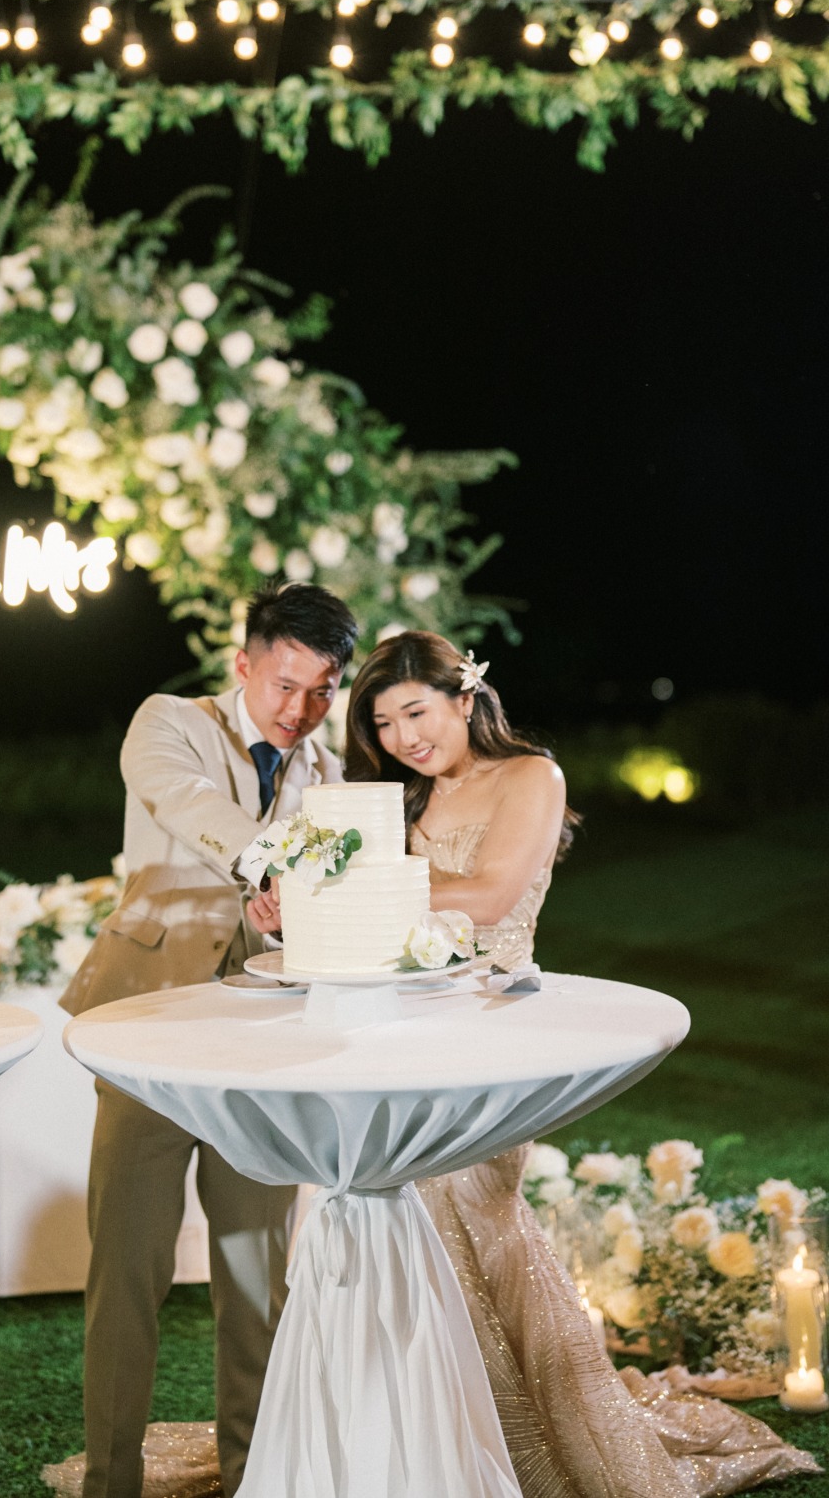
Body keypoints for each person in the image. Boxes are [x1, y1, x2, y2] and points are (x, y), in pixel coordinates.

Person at [343, 629, 818, 1498]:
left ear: (463, 696)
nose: (404, 736)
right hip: (400, 1043)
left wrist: (345, 889)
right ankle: (415, 1445)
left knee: (477, 1224)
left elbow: (488, 894)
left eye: (415, 710)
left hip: (486, 1044)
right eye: (382, 723)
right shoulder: (398, 799)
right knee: (392, 1232)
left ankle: (512, 1447)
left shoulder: (531, 776)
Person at [58, 581, 358, 1498]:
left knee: (254, 1276)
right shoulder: (170, 723)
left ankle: (254, 1476)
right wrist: (269, 859)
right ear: (244, 663)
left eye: (321, 693)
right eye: (283, 685)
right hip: (149, 1031)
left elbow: (335, 899)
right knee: (128, 1275)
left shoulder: (331, 775)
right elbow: (183, 801)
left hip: (265, 1050)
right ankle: (112, 1480)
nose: (299, 711)